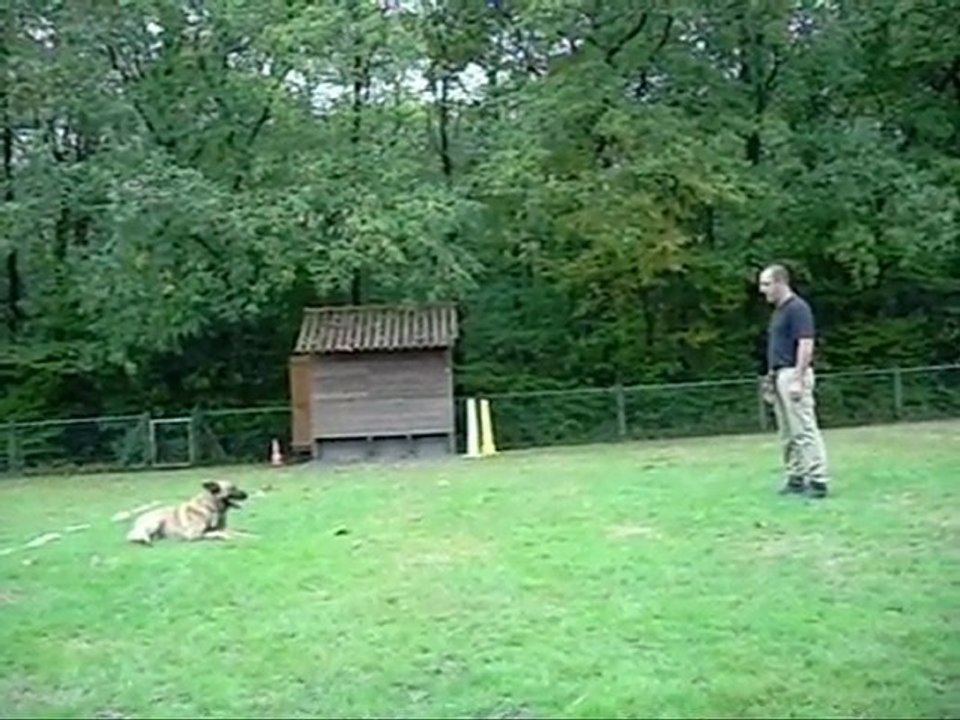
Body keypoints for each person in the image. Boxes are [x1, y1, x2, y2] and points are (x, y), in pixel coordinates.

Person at [758, 264, 830, 498]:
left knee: (804, 429)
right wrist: (770, 378)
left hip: (793, 373)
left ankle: (817, 479)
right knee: (787, 432)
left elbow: (805, 344)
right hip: (780, 374)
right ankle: (796, 477)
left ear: (781, 283)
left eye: (766, 284)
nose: (762, 290)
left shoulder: (798, 308)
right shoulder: (779, 311)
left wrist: (798, 378)